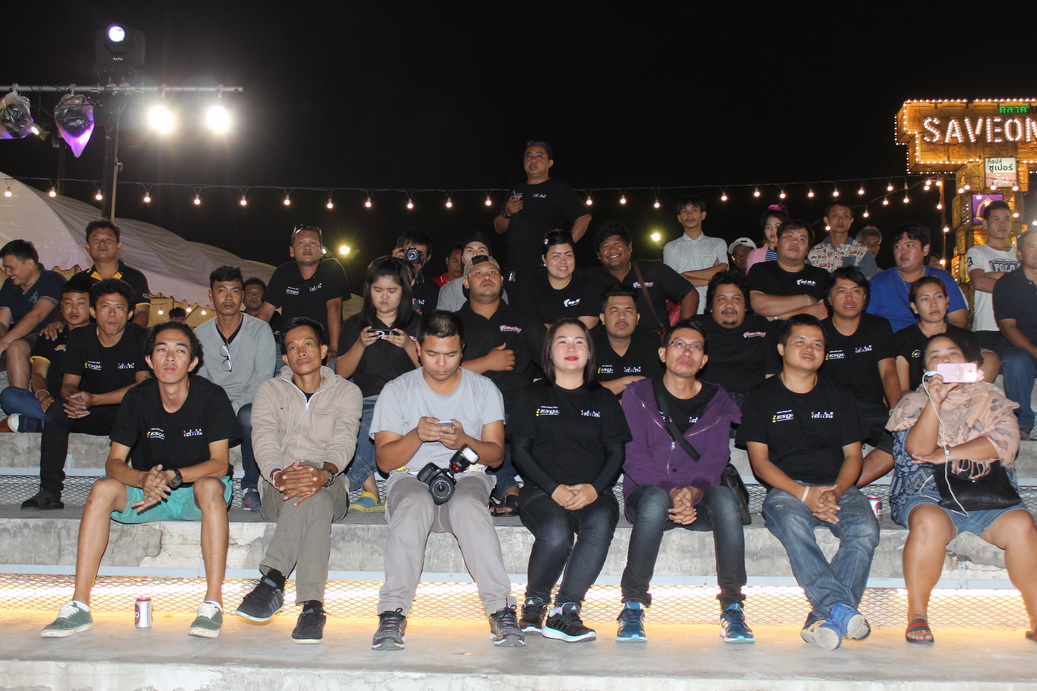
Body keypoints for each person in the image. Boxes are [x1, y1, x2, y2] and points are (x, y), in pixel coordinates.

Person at [40, 321, 238, 638]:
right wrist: (142, 478)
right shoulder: (137, 397)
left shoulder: (211, 396)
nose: (170, 358)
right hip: (148, 495)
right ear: (149, 360)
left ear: (192, 362)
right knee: (102, 488)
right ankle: (79, 604)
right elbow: (114, 463)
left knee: (211, 485)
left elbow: (219, 463)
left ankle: (212, 603)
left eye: (180, 351)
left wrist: (174, 476)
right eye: (161, 350)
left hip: (195, 496)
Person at [370, 310, 523, 650]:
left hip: (467, 476)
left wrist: (465, 441)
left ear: (462, 350)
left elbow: (496, 456)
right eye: (432, 354)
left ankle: (501, 609)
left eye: (451, 354)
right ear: (418, 349)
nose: (441, 363)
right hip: (410, 478)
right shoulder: (397, 390)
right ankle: (392, 612)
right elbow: (385, 462)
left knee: (469, 507)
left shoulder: (484, 389)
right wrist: (416, 436)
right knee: (412, 505)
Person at [737, 314, 879, 650]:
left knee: (865, 529)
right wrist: (804, 494)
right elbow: (760, 464)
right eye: (800, 341)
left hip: (837, 486)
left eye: (817, 344)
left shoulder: (840, 395)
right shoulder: (760, 396)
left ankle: (823, 617)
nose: (809, 349)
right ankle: (838, 608)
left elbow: (854, 457)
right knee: (793, 524)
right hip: (787, 490)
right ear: (781, 348)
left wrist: (836, 491)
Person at [886, 332, 1037, 644]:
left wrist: (946, 453)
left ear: (968, 363)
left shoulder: (991, 397)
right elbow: (917, 450)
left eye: (952, 354)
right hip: (930, 491)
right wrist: (935, 401)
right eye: (935, 356)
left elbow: (1004, 442)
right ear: (926, 370)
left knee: (1022, 525)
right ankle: (917, 615)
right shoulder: (913, 403)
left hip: (988, 489)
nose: (944, 360)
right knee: (927, 521)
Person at [618, 320, 752, 643]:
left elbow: (717, 457)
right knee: (654, 499)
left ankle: (733, 607)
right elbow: (633, 456)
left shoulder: (717, 399)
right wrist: (671, 490)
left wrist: (693, 490)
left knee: (725, 500)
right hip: (648, 497)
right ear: (663, 353)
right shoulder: (638, 394)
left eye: (695, 347)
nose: (687, 352)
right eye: (679, 344)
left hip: (697, 498)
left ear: (704, 360)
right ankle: (633, 604)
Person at [236, 316, 362, 643]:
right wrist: (278, 475)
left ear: (324, 351)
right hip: (279, 487)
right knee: (312, 500)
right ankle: (312, 607)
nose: (301, 352)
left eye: (308, 344)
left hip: (330, 482)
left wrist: (324, 473)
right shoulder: (270, 390)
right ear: (285, 358)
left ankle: (272, 581)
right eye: (292, 348)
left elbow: (344, 440)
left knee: (317, 495)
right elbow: (264, 439)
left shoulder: (346, 392)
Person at [511, 319, 631, 642]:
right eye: (562, 341)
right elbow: (520, 451)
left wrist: (594, 488)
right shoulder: (530, 395)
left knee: (600, 522)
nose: (571, 348)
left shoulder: (604, 399)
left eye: (579, 341)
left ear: (590, 352)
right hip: (541, 490)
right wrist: (553, 488)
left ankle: (565, 611)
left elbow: (616, 453)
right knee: (556, 532)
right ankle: (535, 603)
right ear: (549, 352)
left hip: (594, 491)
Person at [20, 279, 149, 510]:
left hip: (131, 412)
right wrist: (74, 399)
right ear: (93, 311)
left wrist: (94, 399)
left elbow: (142, 387)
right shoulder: (80, 337)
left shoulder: (141, 337)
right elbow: (68, 385)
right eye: (105, 307)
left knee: (146, 412)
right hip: (94, 411)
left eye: (119, 307)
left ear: (130, 313)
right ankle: (50, 491)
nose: (112, 314)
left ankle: (144, 490)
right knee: (57, 411)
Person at [456, 254, 546, 509]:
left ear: (502, 280)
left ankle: (525, 488)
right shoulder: (452, 322)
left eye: (492, 272)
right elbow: (435, 370)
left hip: (516, 405)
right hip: (466, 405)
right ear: (466, 282)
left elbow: (554, 362)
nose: (487, 277)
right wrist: (486, 362)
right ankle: (509, 488)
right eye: (478, 273)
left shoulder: (524, 319)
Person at [336, 257, 421, 511]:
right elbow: (341, 372)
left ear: (404, 291)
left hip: (409, 401)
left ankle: (356, 483)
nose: (384, 297)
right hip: (367, 399)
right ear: (368, 290)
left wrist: (409, 346)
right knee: (353, 425)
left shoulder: (418, 324)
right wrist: (359, 344)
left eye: (392, 290)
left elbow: (434, 371)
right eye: (378, 289)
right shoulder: (355, 324)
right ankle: (370, 490)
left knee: (376, 424)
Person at [195, 266, 280, 511]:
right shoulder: (199, 335)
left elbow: (263, 379)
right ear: (211, 295)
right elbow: (201, 382)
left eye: (234, 291)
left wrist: (233, 407)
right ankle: (213, 478)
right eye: (221, 291)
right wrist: (220, 409)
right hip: (214, 405)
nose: (228, 297)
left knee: (248, 414)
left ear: (242, 295)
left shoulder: (260, 330)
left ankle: (251, 484)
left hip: (251, 402)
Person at [817, 267, 900, 488]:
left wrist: (897, 411)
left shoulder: (879, 326)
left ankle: (842, 489)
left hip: (869, 409)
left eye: (856, 291)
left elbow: (888, 371)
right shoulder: (818, 332)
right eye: (841, 291)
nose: (849, 297)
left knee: (904, 439)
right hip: (831, 410)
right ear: (829, 298)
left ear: (865, 297)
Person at [0, 276, 92, 433]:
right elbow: (38, 374)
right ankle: (62, 423)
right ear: (61, 306)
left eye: (80, 303)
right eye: (68, 303)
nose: (74, 309)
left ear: (92, 307)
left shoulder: (99, 336)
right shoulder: (51, 335)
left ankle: (47, 423)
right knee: (10, 396)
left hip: (86, 403)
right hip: (52, 403)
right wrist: (43, 396)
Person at [493, 140, 592, 276]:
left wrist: (563, 246)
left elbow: (584, 217)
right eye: (528, 156)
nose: (533, 159)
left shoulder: (559, 188)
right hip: (515, 267)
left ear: (550, 163)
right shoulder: (515, 190)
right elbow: (498, 228)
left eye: (539, 156)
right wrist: (507, 212)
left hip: (544, 267)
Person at [258, 225, 350, 360]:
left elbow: (334, 306)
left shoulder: (331, 268)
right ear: (292, 251)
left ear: (321, 250)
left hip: (322, 348)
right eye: (301, 243)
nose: (307, 247)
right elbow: (266, 311)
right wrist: (252, 342)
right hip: (291, 349)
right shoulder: (284, 272)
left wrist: (334, 347)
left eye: (312, 243)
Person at [585, 221, 697, 330]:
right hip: (611, 341)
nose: (612, 250)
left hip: (655, 340)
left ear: (630, 247)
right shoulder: (591, 278)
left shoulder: (654, 270)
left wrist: (684, 331)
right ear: (598, 255)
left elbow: (689, 294)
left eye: (617, 244)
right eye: (605, 246)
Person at [691, 271, 779, 409]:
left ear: (746, 306)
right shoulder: (695, 327)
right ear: (711, 306)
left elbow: (771, 375)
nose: (729, 305)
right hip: (707, 402)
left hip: (752, 403)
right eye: (722, 299)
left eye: (737, 299)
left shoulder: (761, 326)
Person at [892, 276, 993, 393]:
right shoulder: (903, 339)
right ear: (914, 306)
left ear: (947, 301)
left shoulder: (965, 337)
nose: (933, 304)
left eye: (939, 297)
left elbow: (972, 378)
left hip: (962, 398)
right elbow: (902, 390)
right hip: (921, 399)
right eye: (925, 299)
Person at [867, 222, 967, 332]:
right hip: (893, 341)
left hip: (937, 340)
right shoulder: (879, 281)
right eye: (898, 246)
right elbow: (867, 322)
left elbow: (959, 321)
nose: (903, 251)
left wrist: (941, 340)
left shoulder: (943, 278)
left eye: (909, 245)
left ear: (925, 249)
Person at [0, 239, 65, 390]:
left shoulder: (53, 279)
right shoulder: (9, 286)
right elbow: (2, 321)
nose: (7, 273)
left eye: (10, 268)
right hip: (21, 338)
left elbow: (38, 315)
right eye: (5, 268)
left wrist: (5, 342)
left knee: (15, 347)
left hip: (48, 337)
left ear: (29, 263)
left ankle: (20, 400)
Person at [994, 228, 1037, 438]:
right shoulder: (1007, 284)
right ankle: (1022, 422)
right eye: (1031, 246)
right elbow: (1008, 327)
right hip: (1022, 350)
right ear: (1019, 253)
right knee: (1016, 359)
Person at [69, 220, 152, 327]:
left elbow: (142, 312)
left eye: (108, 239)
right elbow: (67, 308)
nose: (102, 243)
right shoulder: (78, 280)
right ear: (87, 247)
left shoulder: (135, 277)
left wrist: (130, 334)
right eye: (96, 239)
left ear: (119, 245)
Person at [747, 219, 830, 320]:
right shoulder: (760, 270)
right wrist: (806, 300)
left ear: (808, 249)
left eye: (802, 239)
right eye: (789, 236)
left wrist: (776, 317)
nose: (795, 242)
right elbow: (759, 305)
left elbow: (823, 312)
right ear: (777, 241)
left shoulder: (821, 275)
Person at [514, 230, 599, 329]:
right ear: (544, 259)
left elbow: (586, 327)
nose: (563, 261)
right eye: (556, 256)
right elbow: (526, 325)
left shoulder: (587, 283)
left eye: (568, 255)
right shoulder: (530, 284)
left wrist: (549, 327)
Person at [592, 285, 664, 397]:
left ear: (637, 318)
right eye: (614, 311)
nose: (622, 316)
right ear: (603, 318)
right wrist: (628, 381)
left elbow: (654, 389)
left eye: (628, 311)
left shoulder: (650, 341)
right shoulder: (588, 342)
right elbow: (582, 392)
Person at [968, 200, 1019, 352]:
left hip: (1018, 326)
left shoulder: (1020, 253)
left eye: (1006, 219)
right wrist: (1018, 283)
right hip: (986, 326)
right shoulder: (977, 252)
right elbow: (979, 282)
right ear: (985, 223)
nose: (1002, 224)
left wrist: (995, 275)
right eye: (996, 219)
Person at [663, 196, 729, 314]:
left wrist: (684, 275)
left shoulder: (717, 243)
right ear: (679, 218)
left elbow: (723, 270)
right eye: (684, 211)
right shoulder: (671, 247)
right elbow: (673, 282)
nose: (689, 214)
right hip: (685, 310)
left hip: (715, 308)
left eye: (694, 210)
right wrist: (712, 280)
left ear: (703, 215)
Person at [436, 233, 509, 312]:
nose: (475, 255)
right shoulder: (449, 289)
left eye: (481, 250)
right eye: (470, 250)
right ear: (462, 258)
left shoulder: (497, 289)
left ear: (490, 258)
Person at [807, 202, 878, 277]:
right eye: (835, 215)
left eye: (845, 216)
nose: (840, 220)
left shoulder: (862, 252)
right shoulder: (815, 252)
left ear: (851, 221)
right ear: (826, 220)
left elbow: (870, 281)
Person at [392, 228, 438, 313]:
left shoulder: (431, 289)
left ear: (428, 258)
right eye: (410, 253)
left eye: (420, 254)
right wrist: (393, 266)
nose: (413, 258)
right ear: (399, 251)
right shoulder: (383, 283)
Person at [745, 207, 786, 273]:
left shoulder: (793, 252)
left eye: (777, 226)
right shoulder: (755, 254)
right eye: (768, 227)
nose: (772, 231)